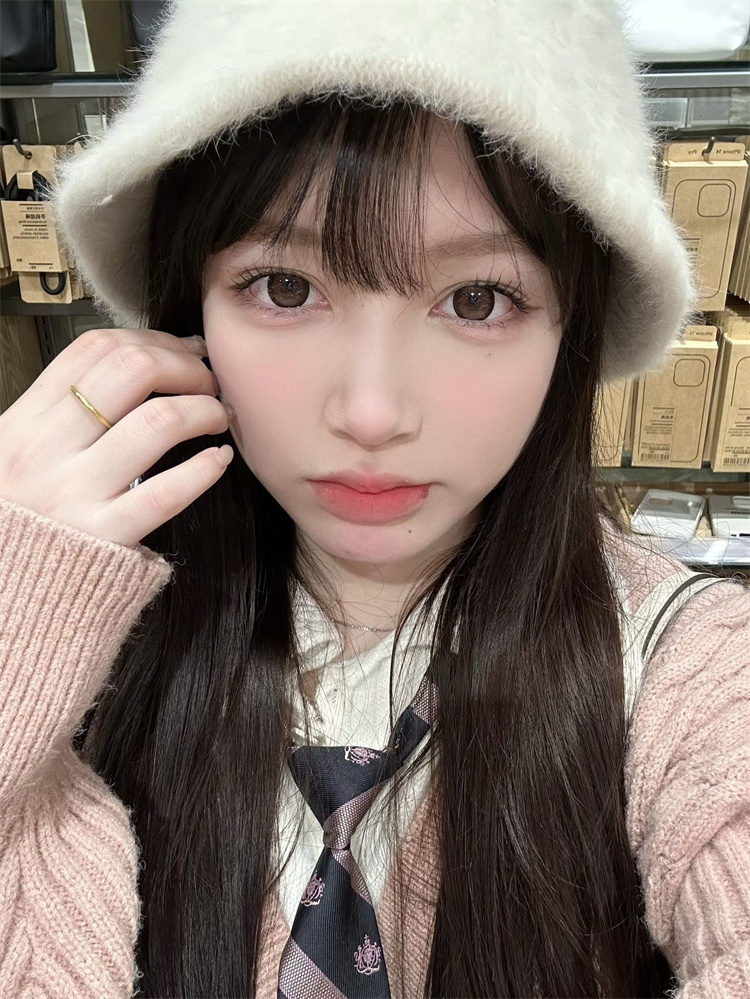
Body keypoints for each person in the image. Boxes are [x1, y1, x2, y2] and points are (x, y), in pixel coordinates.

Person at [1, 2, 748, 998]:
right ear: (187, 311)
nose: (371, 411)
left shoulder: (684, 667)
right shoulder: (78, 635)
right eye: (283, 287)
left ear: (572, 331)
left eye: (477, 299)